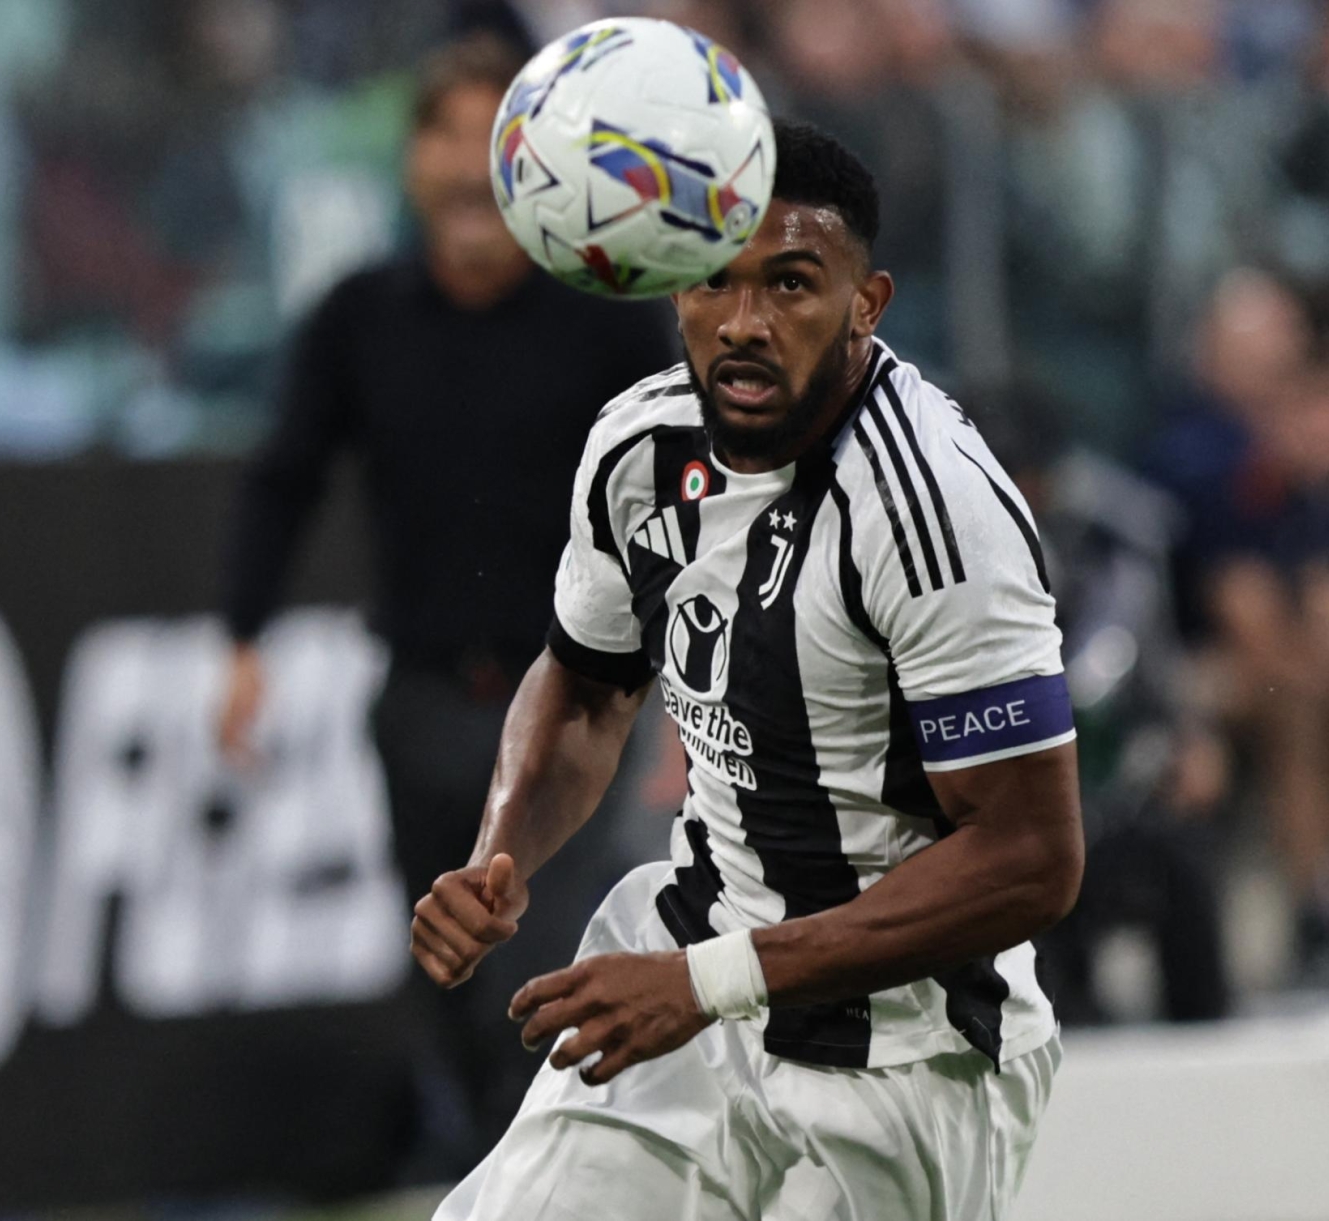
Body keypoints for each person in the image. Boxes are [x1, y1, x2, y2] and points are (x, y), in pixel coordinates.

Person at [415, 119, 1081, 1221]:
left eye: (791, 285)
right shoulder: (640, 448)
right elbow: (586, 685)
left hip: (905, 1049)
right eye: (714, 284)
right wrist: (502, 853)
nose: (743, 324)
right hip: (681, 965)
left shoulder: (935, 515)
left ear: (866, 305)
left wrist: (708, 984)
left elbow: (1031, 858)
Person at [215, 34, 676, 1162]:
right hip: (421, 706)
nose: (468, 168)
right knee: (451, 983)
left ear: (532, 161)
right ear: (411, 160)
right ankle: (492, 1168)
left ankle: (525, 1183)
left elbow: (678, 508)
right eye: (443, 135)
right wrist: (241, 642)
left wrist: (679, 702)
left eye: (491, 138)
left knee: (536, 980)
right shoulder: (358, 318)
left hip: (577, 708)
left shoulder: (607, 319)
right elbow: (285, 479)